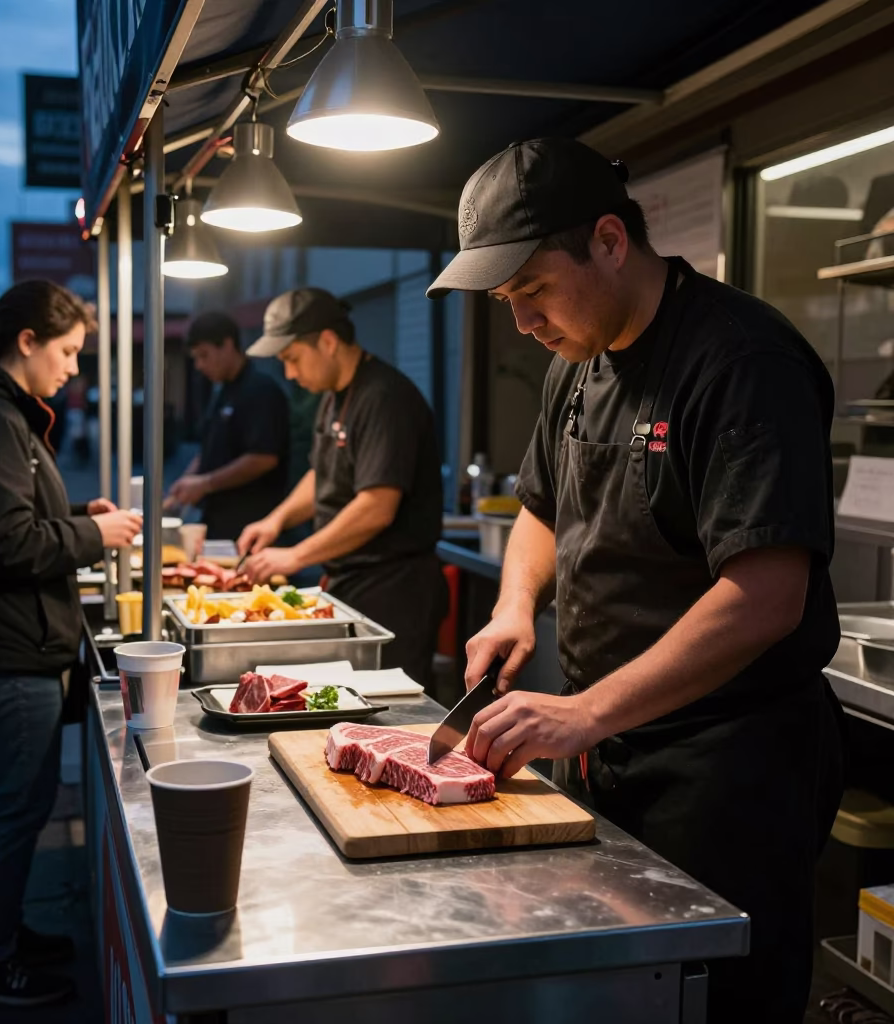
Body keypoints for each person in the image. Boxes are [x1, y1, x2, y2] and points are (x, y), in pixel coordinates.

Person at [426, 138, 845, 1023]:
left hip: (728, 763)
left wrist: (583, 711)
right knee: (625, 993)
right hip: (613, 744)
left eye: (532, 290)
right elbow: (540, 507)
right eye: (507, 302)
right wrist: (513, 608)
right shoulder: (574, 365)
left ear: (610, 240)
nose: (524, 323)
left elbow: (768, 594)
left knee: (715, 998)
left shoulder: (740, 362)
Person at [0, 280, 142, 1007]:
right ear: (27, 343)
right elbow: (4, 541)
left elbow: (11, 512)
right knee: (11, 806)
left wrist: (79, 512)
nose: (74, 368)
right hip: (2, 649)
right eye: (69, 351)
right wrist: (93, 535)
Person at [238, 288, 448, 689]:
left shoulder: (385, 398)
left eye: (292, 359)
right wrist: (275, 521)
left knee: (386, 713)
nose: (290, 374)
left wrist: (296, 555)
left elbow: (376, 506)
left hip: (393, 591)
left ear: (328, 342)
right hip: (351, 583)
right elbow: (323, 472)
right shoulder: (335, 397)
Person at [164, 311, 289, 543]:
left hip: (250, 526)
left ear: (228, 345)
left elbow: (264, 457)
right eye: (195, 359)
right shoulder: (221, 391)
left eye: (204, 356)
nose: (200, 365)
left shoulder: (260, 389)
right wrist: (184, 484)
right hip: (215, 521)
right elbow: (208, 449)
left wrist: (206, 483)